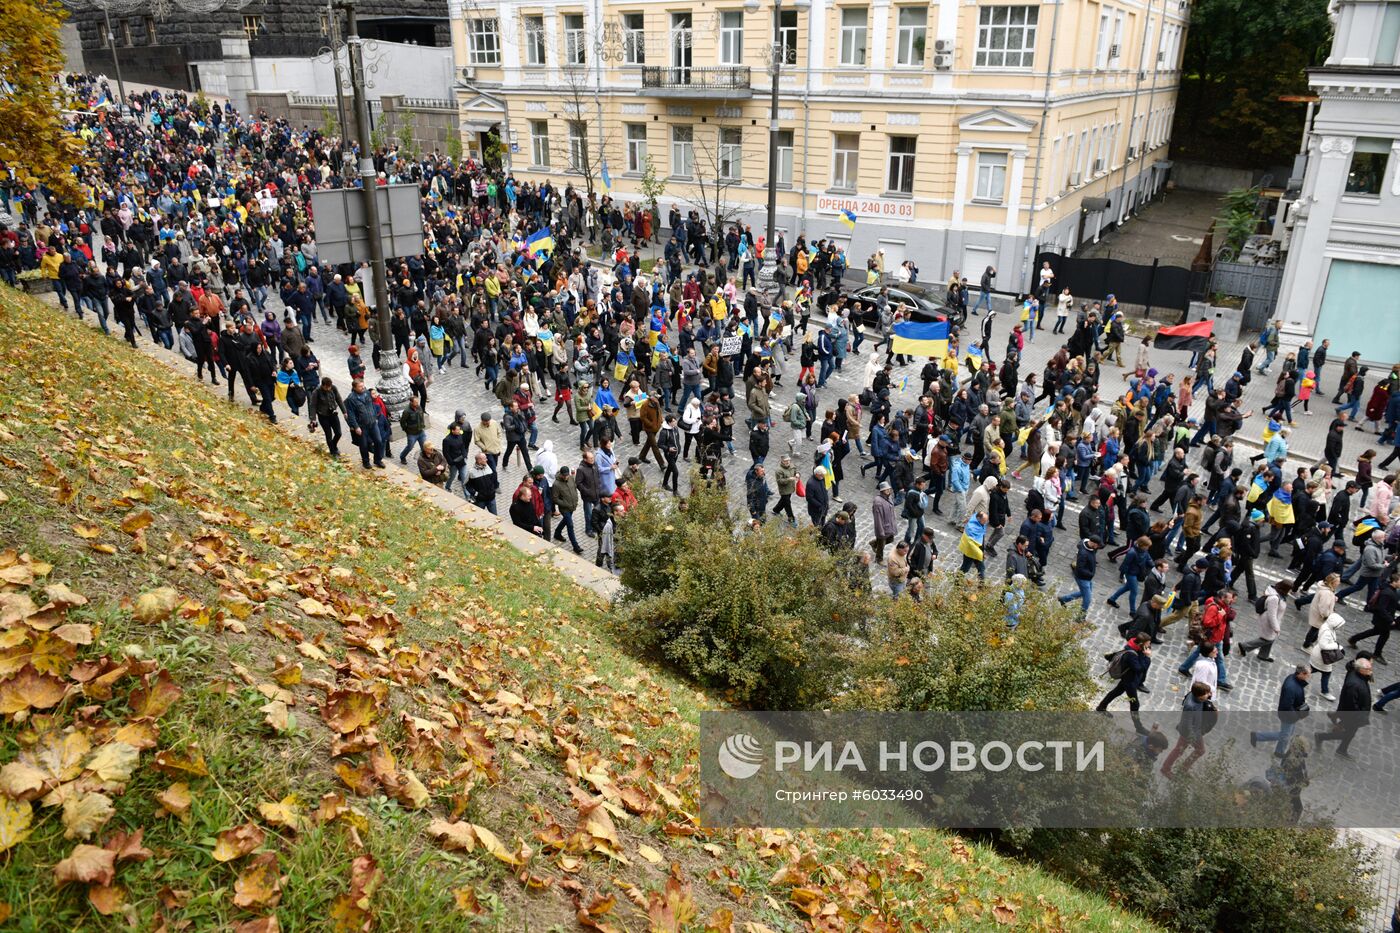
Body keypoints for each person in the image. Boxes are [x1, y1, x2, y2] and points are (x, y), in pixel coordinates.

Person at [1314, 657, 1373, 759]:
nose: (1371, 672)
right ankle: (1321, 737)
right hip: (1353, 715)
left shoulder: (1357, 673)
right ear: (1361, 670)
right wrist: (1357, 716)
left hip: (1356, 713)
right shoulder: (1354, 685)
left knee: (1350, 733)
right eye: (1368, 669)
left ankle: (1342, 749)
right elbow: (1351, 704)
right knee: (1348, 734)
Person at [1250, 666, 1312, 758]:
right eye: (1308, 675)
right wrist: (1296, 716)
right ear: (1301, 674)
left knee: (1288, 734)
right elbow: (1286, 706)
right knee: (1284, 735)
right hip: (1289, 715)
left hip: (1292, 714)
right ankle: (1257, 737)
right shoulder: (1291, 687)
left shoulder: (1294, 679)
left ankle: (1279, 750)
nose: (1309, 677)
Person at [1160, 682, 1216, 778]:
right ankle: (1166, 769)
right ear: (1199, 696)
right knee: (1183, 750)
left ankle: (1181, 768)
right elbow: (1187, 724)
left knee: (1186, 750)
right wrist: (1192, 737)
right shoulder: (1190, 706)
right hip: (1190, 733)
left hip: (1196, 730)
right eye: (1206, 693)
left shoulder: (1194, 695)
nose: (1209, 694)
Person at [1236, 581, 1292, 662]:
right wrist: (1276, 627)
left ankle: (1263, 655)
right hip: (1268, 621)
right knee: (1267, 639)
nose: (1290, 592)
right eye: (1289, 589)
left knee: (1271, 638)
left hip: (1273, 620)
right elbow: (1271, 615)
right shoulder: (1275, 598)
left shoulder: (1279, 595)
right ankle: (1244, 646)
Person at [1057, 536, 1102, 613]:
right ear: (1093, 543)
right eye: (1097, 545)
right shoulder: (1083, 553)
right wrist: (1090, 574)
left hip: (1087, 577)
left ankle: (1063, 599)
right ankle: (1081, 617)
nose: (1098, 547)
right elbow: (1080, 569)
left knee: (1083, 593)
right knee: (1087, 599)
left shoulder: (1091, 547)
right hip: (1083, 578)